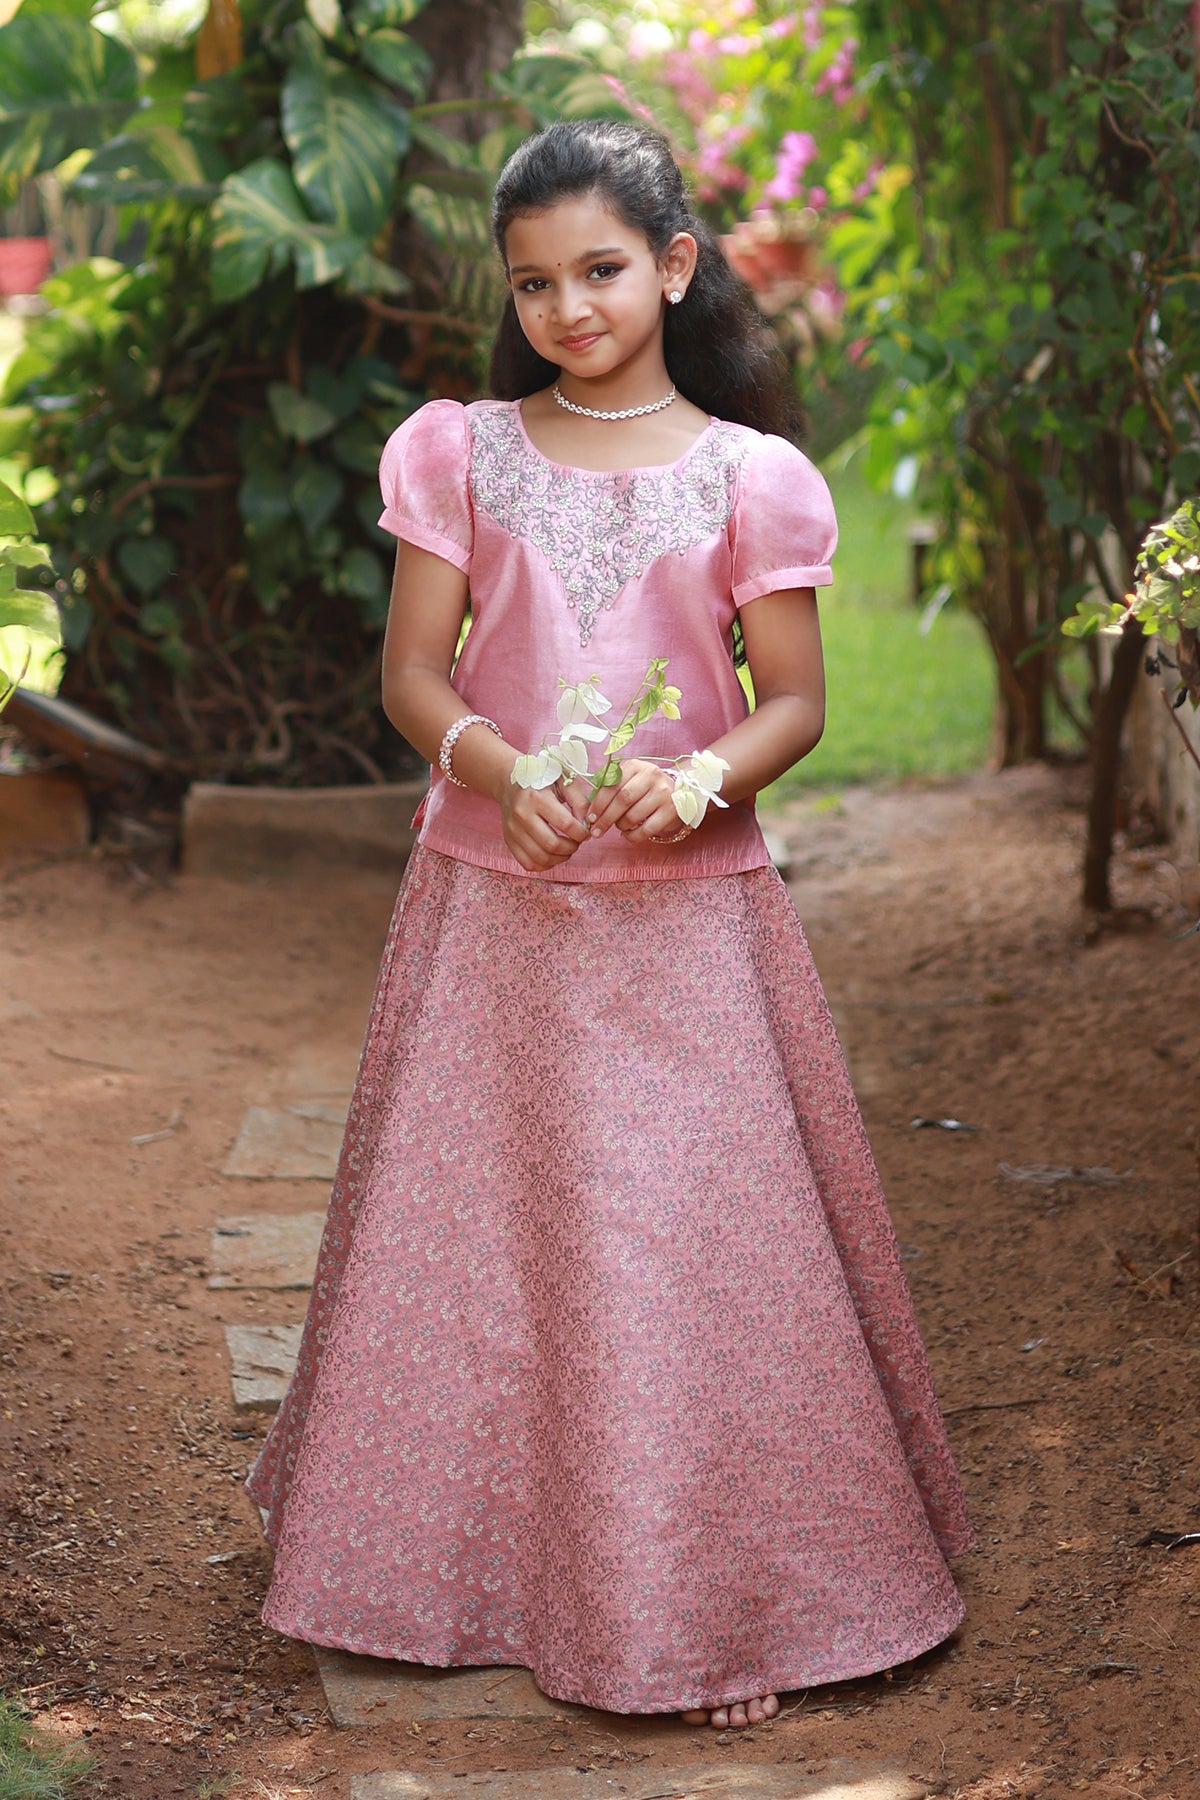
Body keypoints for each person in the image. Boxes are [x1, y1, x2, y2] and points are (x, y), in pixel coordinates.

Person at [246, 117, 974, 1731]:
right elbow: (413, 675)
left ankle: (711, 1601)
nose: (568, 308)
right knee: (491, 1240)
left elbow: (795, 703)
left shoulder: (749, 475)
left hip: (686, 927)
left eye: (599, 271)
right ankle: (461, 1577)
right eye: (534, 284)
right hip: (493, 909)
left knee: (677, 1245)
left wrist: (702, 775)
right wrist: (500, 770)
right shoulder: (458, 451)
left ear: (673, 265)